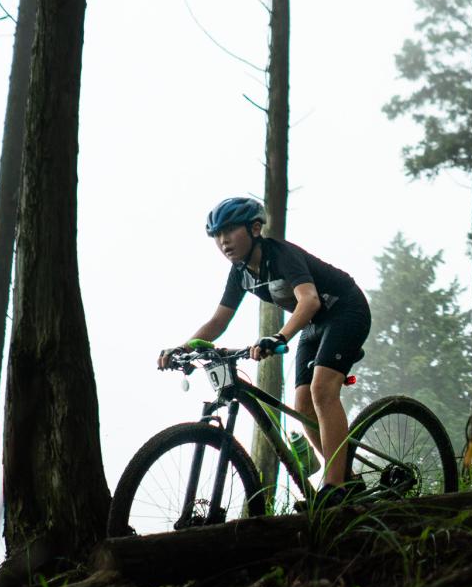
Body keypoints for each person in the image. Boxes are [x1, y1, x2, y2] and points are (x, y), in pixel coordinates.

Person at [159, 196, 373, 506]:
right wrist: (183, 348)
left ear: (255, 228)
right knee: (302, 405)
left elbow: (309, 300)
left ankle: (334, 485)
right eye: (217, 235)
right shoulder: (240, 272)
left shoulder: (280, 255)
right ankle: (348, 479)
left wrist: (278, 336)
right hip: (314, 324)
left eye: (230, 231)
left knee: (322, 390)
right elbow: (219, 321)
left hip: (346, 311)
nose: (223, 241)